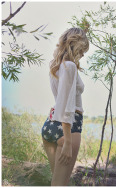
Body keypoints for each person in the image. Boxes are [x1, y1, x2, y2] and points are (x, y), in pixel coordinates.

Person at [41, 28, 89, 185]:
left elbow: (60, 99)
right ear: (76, 45)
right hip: (69, 127)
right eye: (82, 50)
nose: (82, 55)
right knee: (60, 184)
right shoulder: (70, 66)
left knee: (57, 183)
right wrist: (68, 141)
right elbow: (67, 105)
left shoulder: (56, 65)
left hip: (51, 126)